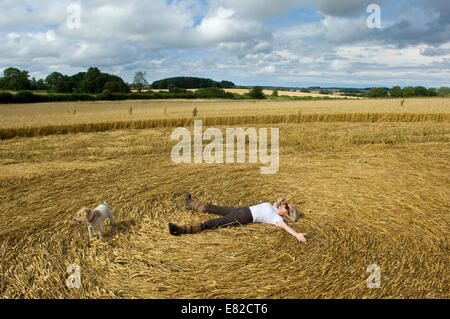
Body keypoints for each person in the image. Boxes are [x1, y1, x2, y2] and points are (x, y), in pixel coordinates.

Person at [168, 194, 307, 243]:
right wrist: (279, 200)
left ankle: (180, 230)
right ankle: (190, 204)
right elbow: (275, 204)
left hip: (244, 216)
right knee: (213, 207)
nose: (285, 205)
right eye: (287, 204)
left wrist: (297, 235)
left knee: (212, 223)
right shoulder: (273, 208)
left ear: (286, 214)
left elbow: (285, 226)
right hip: (242, 210)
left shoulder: (276, 217)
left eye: (287, 208)